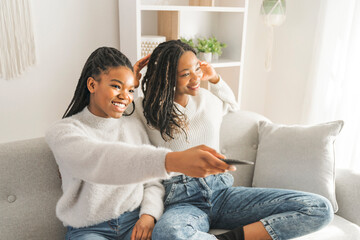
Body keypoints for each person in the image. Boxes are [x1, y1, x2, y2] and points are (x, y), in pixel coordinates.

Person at [133, 40, 334, 240]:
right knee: (166, 234)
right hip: (182, 201)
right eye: (186, 74)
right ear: (166, 78)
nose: (196, 78)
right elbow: (117, 119)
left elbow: (231, 104)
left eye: (197, 69)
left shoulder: (208, 100)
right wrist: (132, 83)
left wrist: (215, 78)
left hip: (222, 193)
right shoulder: (145, 110)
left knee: (319, 207)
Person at [45, 47, 235, 240]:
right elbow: (102, 160)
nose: (125, 96)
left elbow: (152, 182)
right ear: (92, 85)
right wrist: (172, 160)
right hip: (90, 230)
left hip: (134, 225)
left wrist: (148, 215)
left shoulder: (133, 125)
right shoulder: (63, 132)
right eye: (116, 86)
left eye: (130, 90)